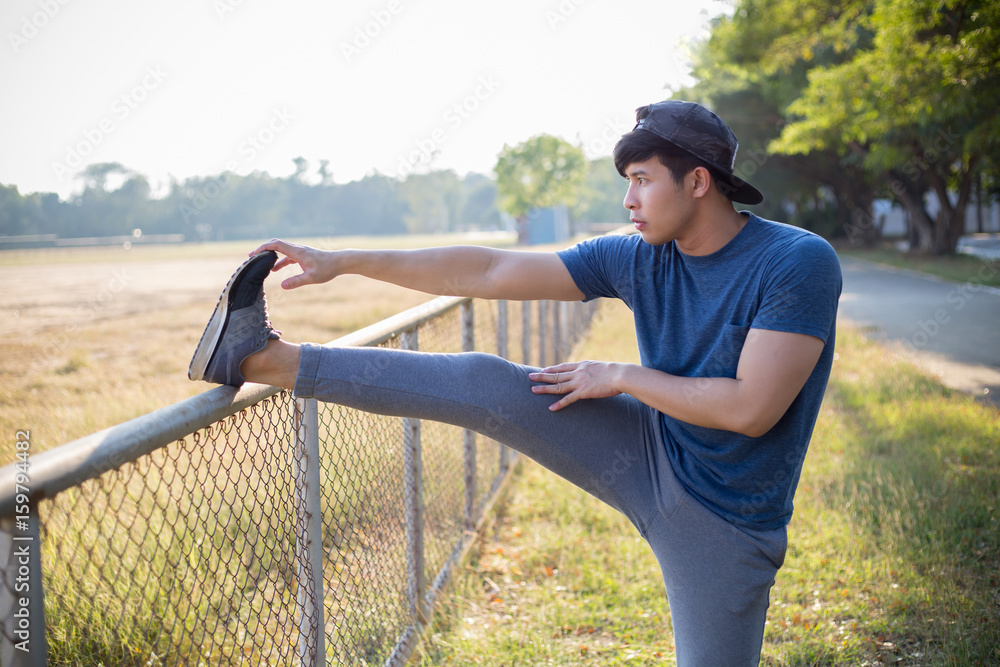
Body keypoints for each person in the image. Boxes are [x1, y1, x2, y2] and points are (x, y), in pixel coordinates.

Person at [188, 100, 842, 665]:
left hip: (724, 515)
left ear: (698, 181)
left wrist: (619, 374)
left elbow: (753, 408)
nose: (628, 199)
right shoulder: (636, 255)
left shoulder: (795, 262)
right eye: (627, 181)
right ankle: (264, 358)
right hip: (653, 450)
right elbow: (491, 271)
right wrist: (344, 262)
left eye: (642, 180)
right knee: (484, 380)